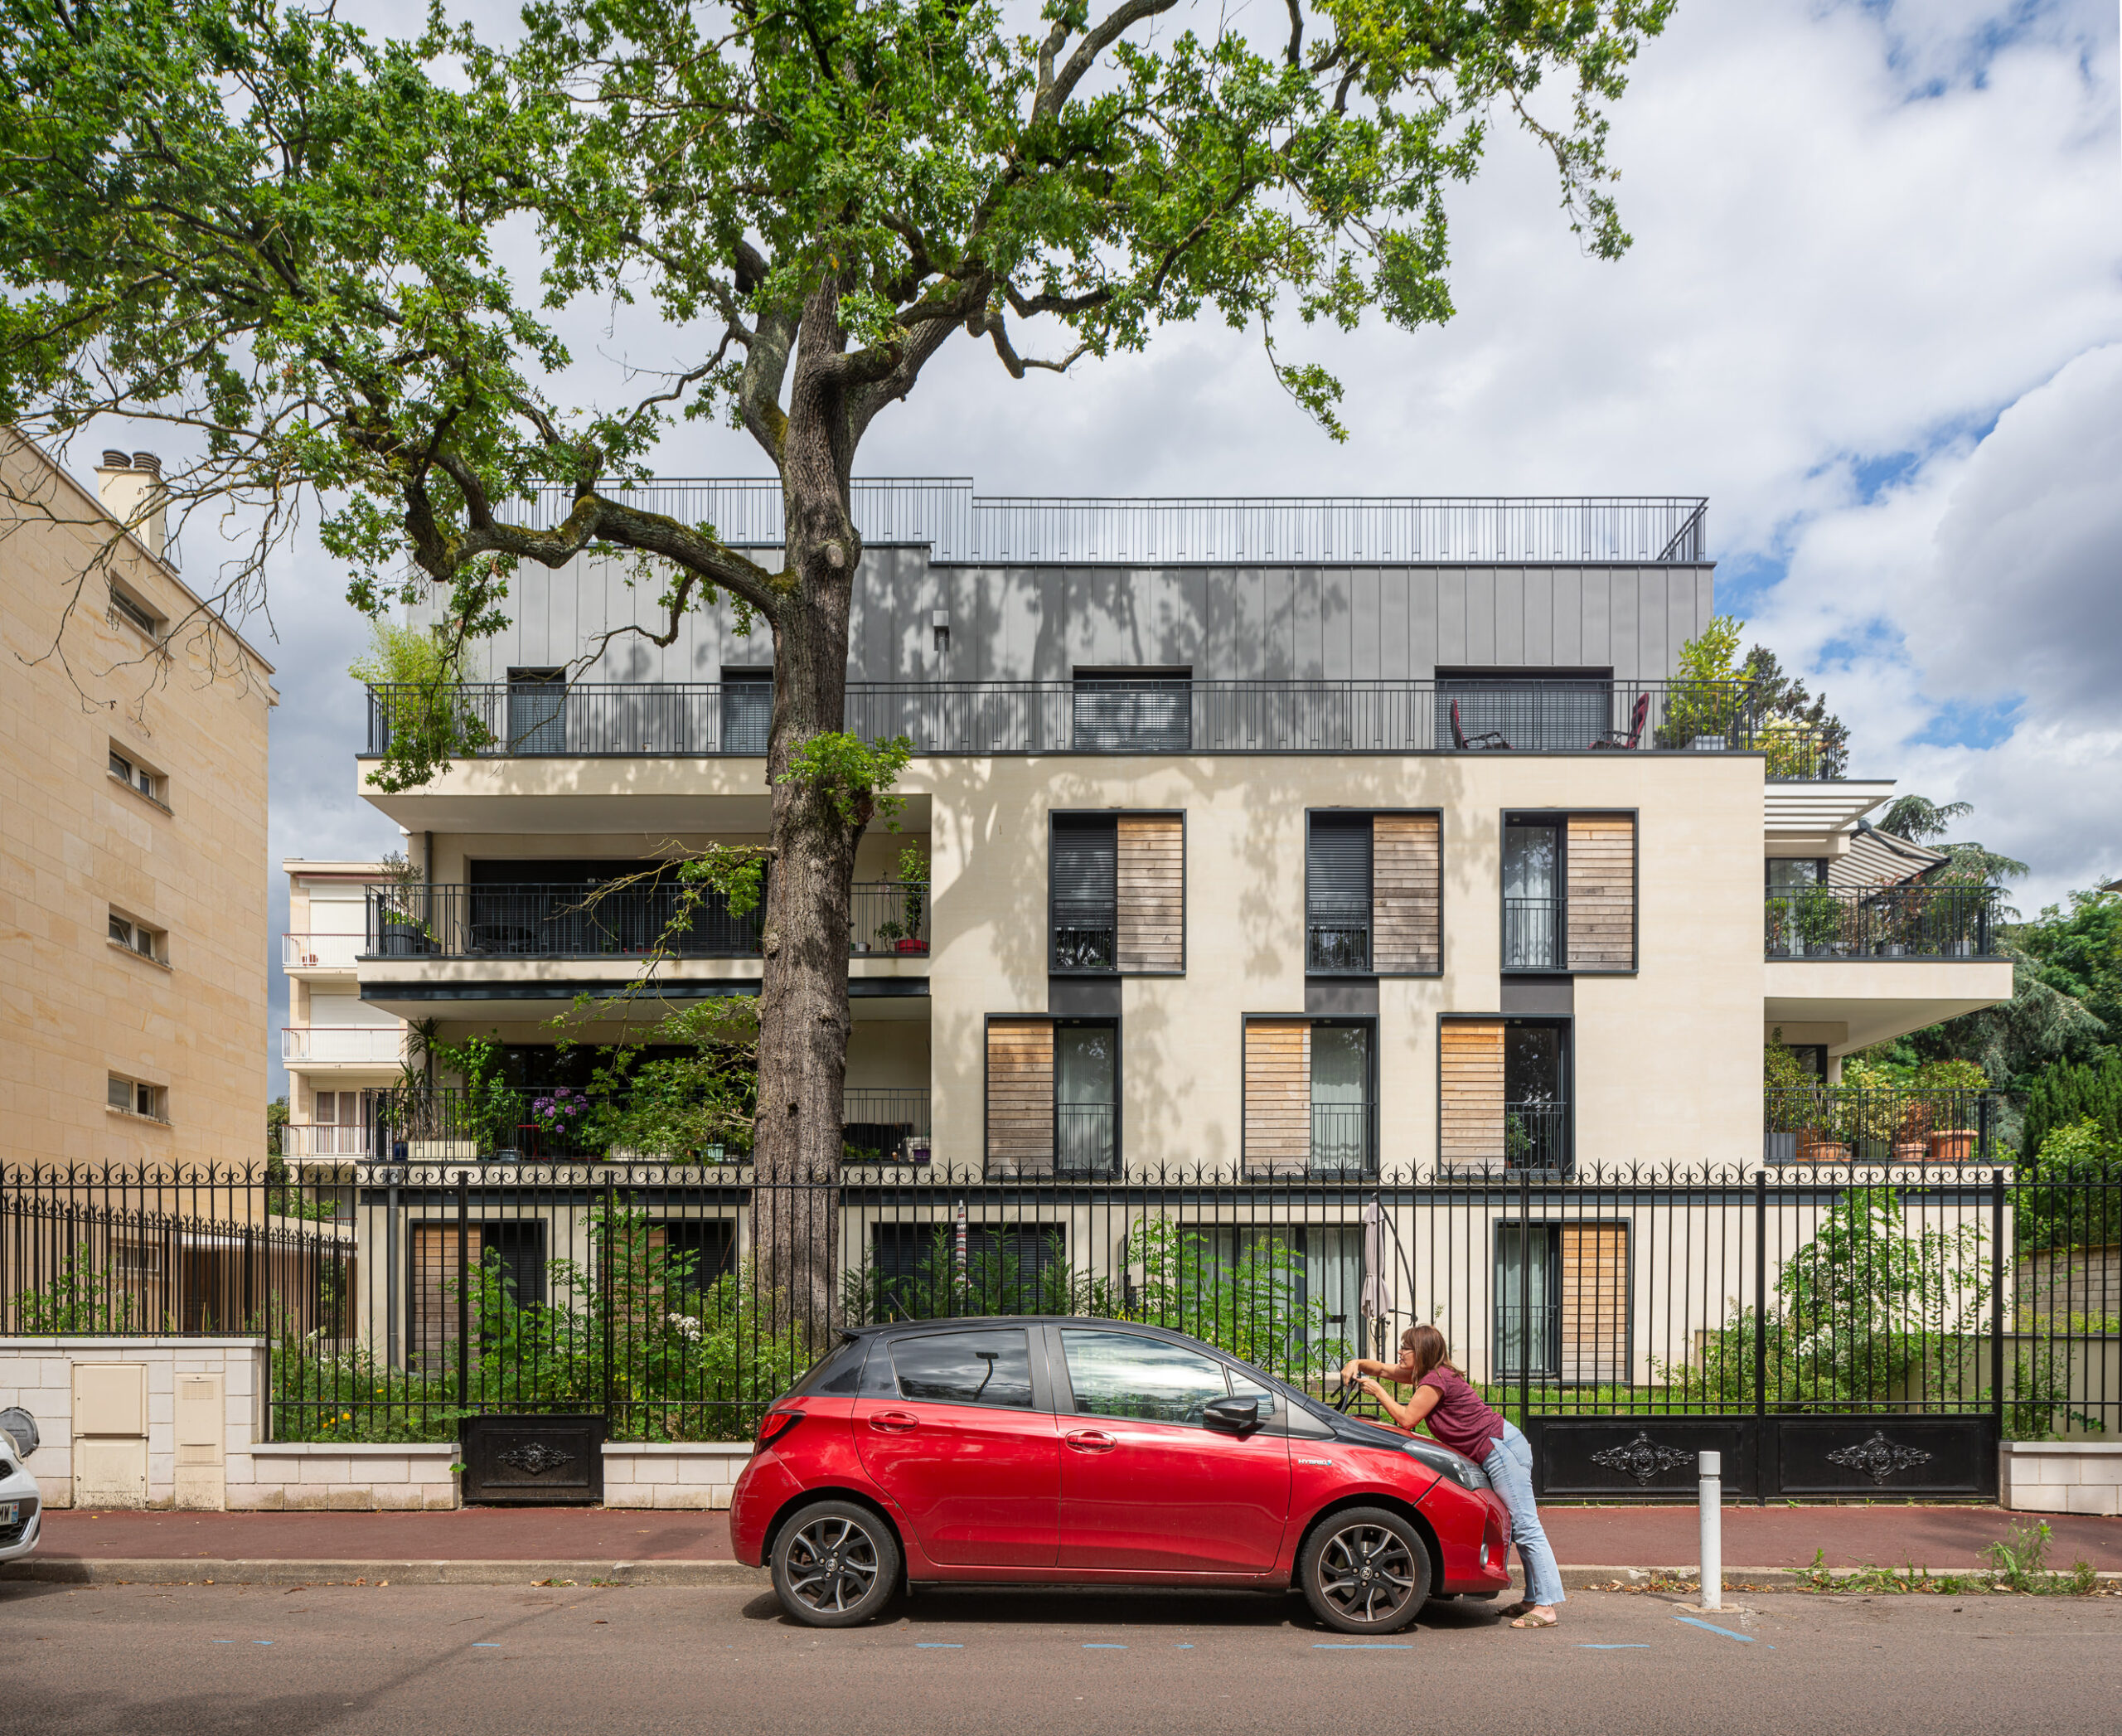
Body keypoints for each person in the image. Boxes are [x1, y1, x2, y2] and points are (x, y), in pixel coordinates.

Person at [1341, 1324, 1564, 1629]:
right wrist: (1356, 1364)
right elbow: (1383, 1369)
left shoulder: (1436, 1380)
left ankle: (1546, 1606)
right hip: (1497, 1448)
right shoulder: (1428, 1375)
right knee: (1516, 1524)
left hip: (1499, 1449)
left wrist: (1378, 1392)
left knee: (1526, 1526)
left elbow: (1407, 1419)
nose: (1400, 1352)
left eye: (1406, 1347)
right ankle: (1532, 1600)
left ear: (1421, 1352)